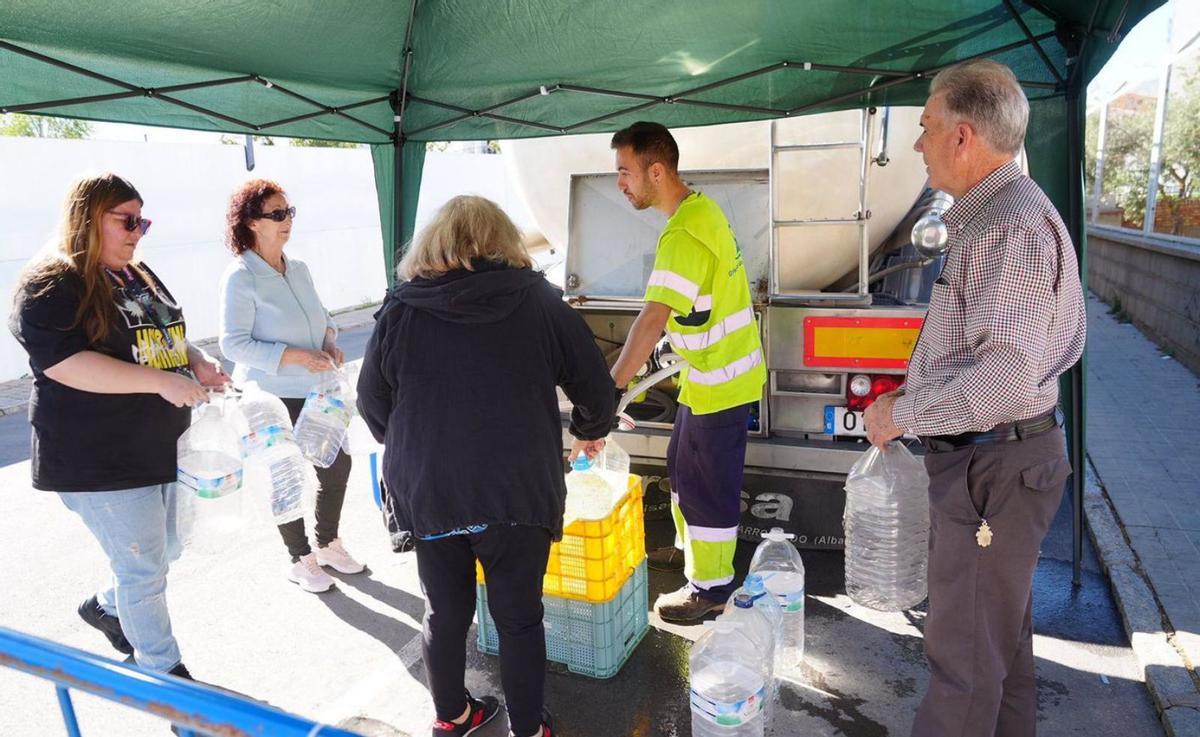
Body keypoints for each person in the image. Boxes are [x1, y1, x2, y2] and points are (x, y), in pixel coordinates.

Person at [863, 59, 1086, 737]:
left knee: (962, 665)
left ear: (963, 136)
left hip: (995, 470)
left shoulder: (1008, 227)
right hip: (1001, 464)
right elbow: (985, 355)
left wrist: (901, 413)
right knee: (1000, 654)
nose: (917, 143)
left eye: (927, 127)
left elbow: (1006, 381)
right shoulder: (992, 218)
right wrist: (920, 390)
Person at [357, 195, 614, 737]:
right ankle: (528, 730)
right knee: (519, 618)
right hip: (515, 487)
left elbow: (371, 401)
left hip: (430, 488)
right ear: (504, 241)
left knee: (444, 613)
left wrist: (415, 446)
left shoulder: (401, 308)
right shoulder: (539, 301)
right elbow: (595, 387)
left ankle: (451, 717)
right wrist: (589, 431)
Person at [9, 172, 228, 680]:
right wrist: (158, 382)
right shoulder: (51, 283)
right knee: (144, 568)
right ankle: (165, 676)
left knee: (167, 546)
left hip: (159, 446)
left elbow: (161, 334)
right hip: (97, 458)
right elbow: (64, 363)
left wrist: (194, 360)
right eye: (126, 221)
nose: (137, 232)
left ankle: (107, 607)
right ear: (88, 219)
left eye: (142, 221)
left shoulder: (136, 273)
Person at [607, 121, 766, 623]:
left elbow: (651, 319)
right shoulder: (701, 211)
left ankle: (711, 589)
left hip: (721, 383)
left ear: (657, 170)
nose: (620, 183)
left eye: (625, 172)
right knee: (681, 467)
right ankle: (690, 555)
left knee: (706, 485)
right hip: (709, 378)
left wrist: (610, 388)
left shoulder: (685, 235)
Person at [218, 179, 363, 593]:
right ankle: (301, 559)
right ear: (251, 223)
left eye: (289, 213)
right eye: (276, 214)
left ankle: (328, 543)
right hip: (271, 395)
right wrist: (296, 355)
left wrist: (330, 340)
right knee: (287, 478)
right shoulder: (241, 277)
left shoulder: (298, 268)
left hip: (317, 390)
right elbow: (233, 343)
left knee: (336, 466)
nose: (286, 221)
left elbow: (322, 315)